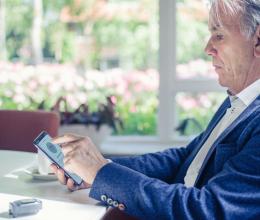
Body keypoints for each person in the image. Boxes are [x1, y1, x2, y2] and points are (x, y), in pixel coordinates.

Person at [51, 0, 260, 219]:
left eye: (219, 35)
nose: (208, 48)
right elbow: (185, 159)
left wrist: (101, 172)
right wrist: (99, 168)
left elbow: (207, 210)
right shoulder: (238, 102)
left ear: (257, 41)